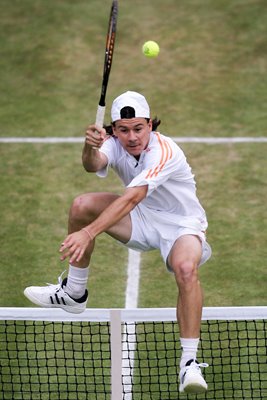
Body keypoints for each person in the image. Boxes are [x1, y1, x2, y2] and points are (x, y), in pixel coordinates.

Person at [24, 91, 212, 394]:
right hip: (141, 218)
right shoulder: (114, 142)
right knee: (81, 205)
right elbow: (92, 164)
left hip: (181, 225)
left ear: (150, 125)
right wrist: (90, 146)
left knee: (186, 268)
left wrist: (88, 233)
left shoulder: (164, 152)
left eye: (138, 128)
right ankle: (74, 292)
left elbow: (132, 197)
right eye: (123, 130)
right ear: (114, 129)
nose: (132, 137)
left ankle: (189, 363)